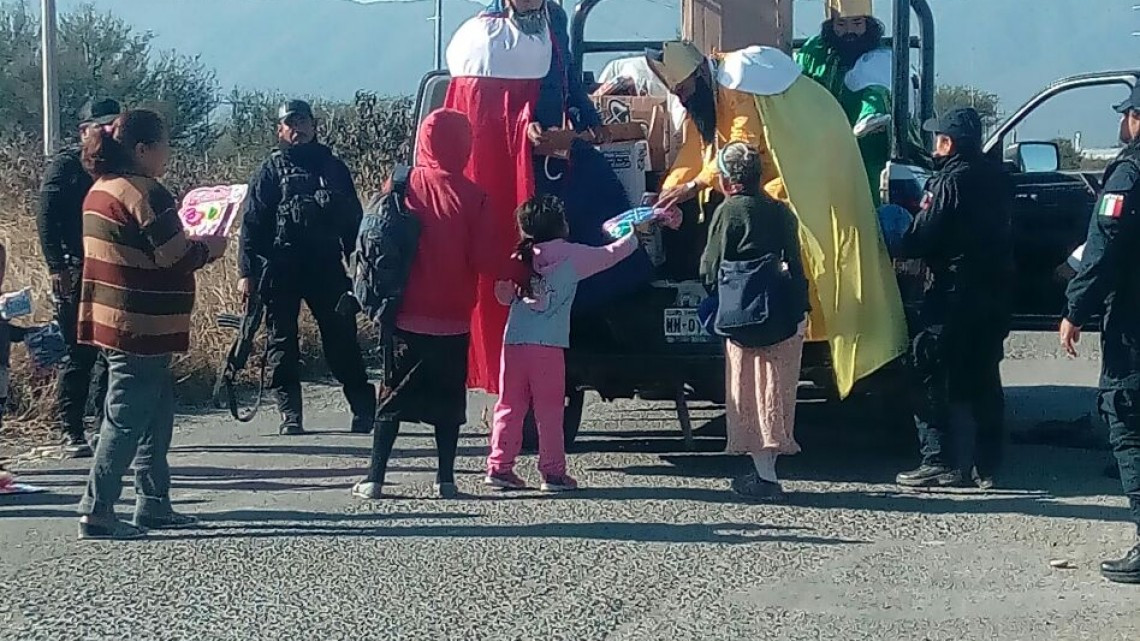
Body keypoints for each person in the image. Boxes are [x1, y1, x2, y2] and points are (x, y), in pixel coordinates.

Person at [647, 40, 906, 400]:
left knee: (803, 230)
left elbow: (740, 142)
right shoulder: (704, 95)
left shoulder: (738, 84)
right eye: (677, 93)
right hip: (765, 168)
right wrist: (667, 192)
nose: (682, 99)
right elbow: (697, 150)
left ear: (700, 75)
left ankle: (807, 320)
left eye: (685, 90)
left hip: (806, 157)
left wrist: (693, 185)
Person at [75, 109, 227, 540]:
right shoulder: (146, 193)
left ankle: (154, 502)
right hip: (140, 321)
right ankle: (98, 507)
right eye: (163, 146)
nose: (167, 155)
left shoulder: (101, 189)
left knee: (156, 409)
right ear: (143, 150)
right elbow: (174, 255)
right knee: (125, 415)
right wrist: (210, 248)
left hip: (111, 317)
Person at [444, 0, 605, 394]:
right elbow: (485, 111)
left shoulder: (556, 16)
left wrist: (591, 119)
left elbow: (566, 81)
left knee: (604, 209)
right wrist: (521, 127)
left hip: (554, 153)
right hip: (515, 159)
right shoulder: (487, 30)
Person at [351, 109, 490, 500]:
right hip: (455, 318)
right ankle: (446, 480)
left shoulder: (402, 183)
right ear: (464, 145)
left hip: (404, 313)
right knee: (448, 405)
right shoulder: (475, 196)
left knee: (392, 398)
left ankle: (374, 479)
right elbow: (485, 259)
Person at [237, 100, 375, 436]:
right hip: (280, 269)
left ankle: (364, 409)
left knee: (342, 339)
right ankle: (290, 415)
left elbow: (353, 222)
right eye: (290, 124)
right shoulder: (269, 171)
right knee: (281, 344)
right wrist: (246, 274)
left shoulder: (332, 168)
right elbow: (252, 225)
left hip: (326, 266)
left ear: (314, 126)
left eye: (303, 123)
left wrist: (360, 267)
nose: (297, 130)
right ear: (280, 129)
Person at [485, 195, 639, 492]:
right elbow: (611, 253)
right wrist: (634, 234)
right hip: (549, 345)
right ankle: (553, 473)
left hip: (515, 341)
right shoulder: (572, 255)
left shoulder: (518, 257)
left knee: (509, 405)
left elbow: (502, 296)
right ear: (561, 226)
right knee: (550, 410)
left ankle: (499, 466)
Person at [893, 107, 1013, 490]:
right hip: (994, 293)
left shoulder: (947, 182)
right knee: (983, 374)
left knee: (925, 366)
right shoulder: (998, 176)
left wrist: (898, 236)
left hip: (952, 293)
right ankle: (988, 465)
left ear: (948, 142)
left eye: (937, 137)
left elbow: (923, 236)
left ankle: (938, 459)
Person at [1060, 85, 1140, 584]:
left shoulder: (1129, 174)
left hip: (1133, 324)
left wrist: (1075, 310)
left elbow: (1103, 250)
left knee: (1128, 423)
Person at [699, 143, 810, 501]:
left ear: (729, 179)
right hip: (780, 312)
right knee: (775, 390)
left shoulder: (728, 212)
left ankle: (765, 478)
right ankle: (769, 470)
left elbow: (709, 268)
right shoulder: (781, 213)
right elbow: (796, 263)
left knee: (747, 392)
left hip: (740, 315)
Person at [36, 97, 122, 458]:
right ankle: (71, 429)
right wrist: (56, 266)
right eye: (100, 125)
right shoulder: (66, 166)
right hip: (75, 268)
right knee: (79, 351)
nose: (108, 131)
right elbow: (46, 217)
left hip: (112, 268)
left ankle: (106, 424)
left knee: (113, 350)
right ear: (83, 130)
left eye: (113, 124)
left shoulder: (120, 164)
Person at [796, 0, 893, 203]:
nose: (850, 31)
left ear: (868, 24)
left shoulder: (881, 57)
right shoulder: (815, 51)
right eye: (841, 24)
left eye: (857, 23)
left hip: (868, 152)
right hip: (820, 145)